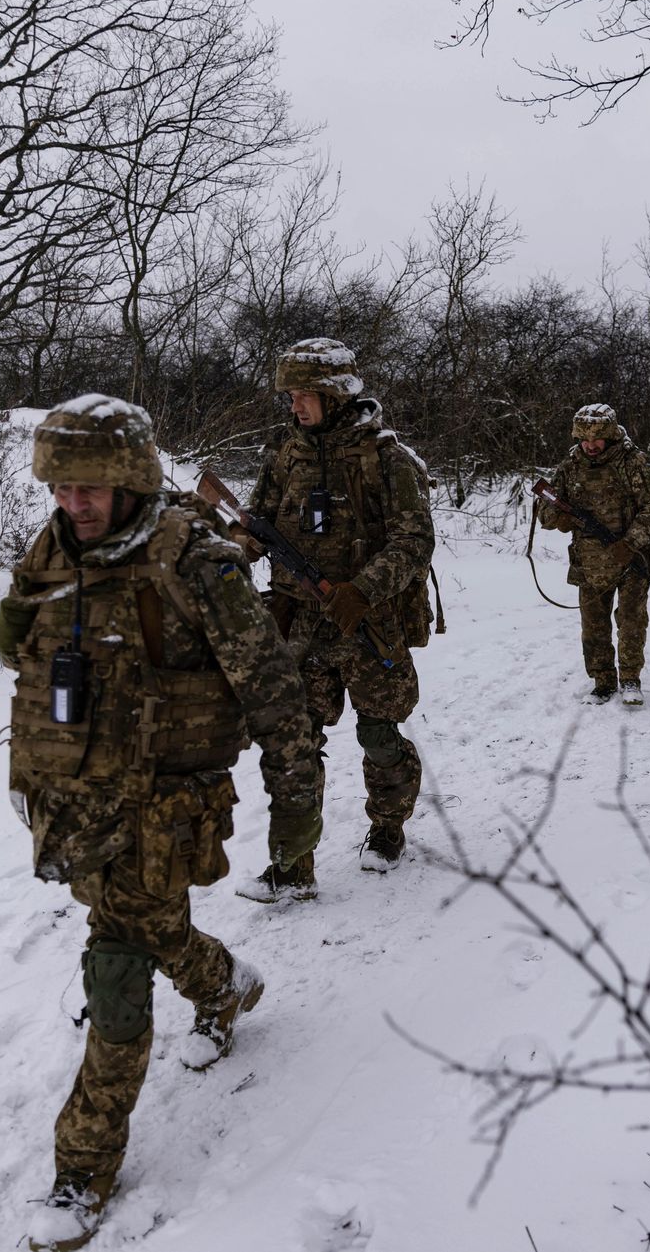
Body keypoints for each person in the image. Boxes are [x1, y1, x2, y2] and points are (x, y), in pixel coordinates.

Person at [0, 396, 322, 1252]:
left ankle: (81, 1170)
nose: (75, 501)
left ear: (134, 478)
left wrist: (296, 801)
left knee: (116, 966)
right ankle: (224, 984)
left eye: (92, 485)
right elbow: (12, 644)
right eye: (61, 485)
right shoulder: (54, 545)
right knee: (145, 922)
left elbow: (274, 691)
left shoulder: (195, 564)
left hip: (163, 806)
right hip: (76, 801)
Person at [238, 339, 436, 899]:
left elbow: (414, 540)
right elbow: (258, 521)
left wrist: (363, 589)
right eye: (291, 395)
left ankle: (389, 827)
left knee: (377, 733)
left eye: (305, 395)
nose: (296, 405)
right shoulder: (284, 452)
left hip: (367, 625)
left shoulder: (385, 459)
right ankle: (292, 866)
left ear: (335, 394)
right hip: (300, 623)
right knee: (296, 741)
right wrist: (233, 551)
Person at [536, 402, 650, 704]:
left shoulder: (633, 462)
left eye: (596, 439)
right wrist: (561, 518)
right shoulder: (570, 467)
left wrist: (631, 541)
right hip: (589, 560)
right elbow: (546, 510)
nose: (590, 446)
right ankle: (603, 681)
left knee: (632, 621)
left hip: (630, 557)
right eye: (584, 440)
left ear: (609, 435)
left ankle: (631, 680)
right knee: (593, 624)